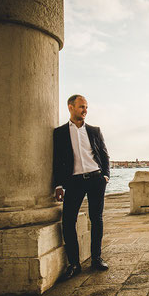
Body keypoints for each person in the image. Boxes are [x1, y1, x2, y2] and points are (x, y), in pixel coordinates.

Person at [53, 94, 110, 280]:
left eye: (86, 107)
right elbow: (58, 160)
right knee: (68, 221)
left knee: (97, 219)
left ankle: (96, 258)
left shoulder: (94, 130)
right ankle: (74, 264)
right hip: (74, 182)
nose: (85, 110)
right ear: (70, 107)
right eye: (81, 107)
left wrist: (105, 175)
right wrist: (58, 185)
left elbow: (104, 154)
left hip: (96, 179)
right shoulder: (60, 133)